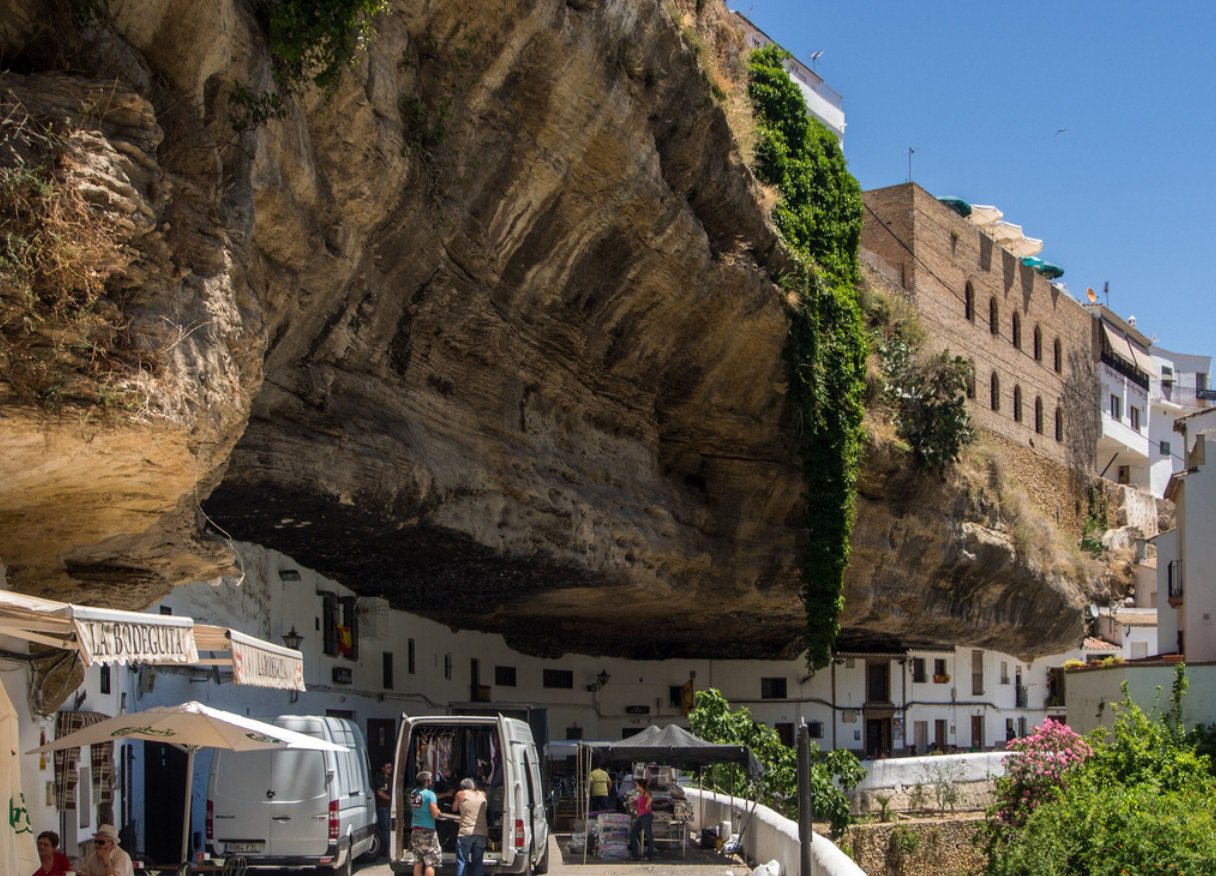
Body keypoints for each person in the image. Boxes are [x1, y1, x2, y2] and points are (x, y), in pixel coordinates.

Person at [452, 777, 489, 876]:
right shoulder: (483, 794)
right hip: (482, 833)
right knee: (478, 861)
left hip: (466, 833)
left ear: (462, 787)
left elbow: (454, 808)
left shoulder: (460, 794)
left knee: (462, 861)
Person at [409, 770, 443, 876]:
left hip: (415, 829)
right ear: (427, 781)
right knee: (430, 862)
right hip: (427, 830)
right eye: (431, 779)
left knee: (418, 861)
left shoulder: (414, 793)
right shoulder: (430, 794)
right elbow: (434, 813)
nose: (432, 781)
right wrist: (438, 811)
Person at [627, 778, 654, 861]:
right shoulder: (640, 794)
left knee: (649, 836)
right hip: (640, 817)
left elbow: (650, 799)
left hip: (646, 816)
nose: (636, 786)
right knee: (632, 835)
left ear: (640, 786)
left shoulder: (646, 793)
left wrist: (646, 806)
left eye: (637, 785)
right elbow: (640, 803)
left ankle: (649, 856)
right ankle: (635, 855)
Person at [375, 761, 393, 859]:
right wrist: (391, 799)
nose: (390, 769)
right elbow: (380, 793)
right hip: (383, 807)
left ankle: (388, 849)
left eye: (391, 767)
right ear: (383, 768)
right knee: (385, 829)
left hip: (389, 807)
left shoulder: (390, 778)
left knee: (389, 828)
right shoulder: (380, 778)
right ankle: (385, 850)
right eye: (388, 768)